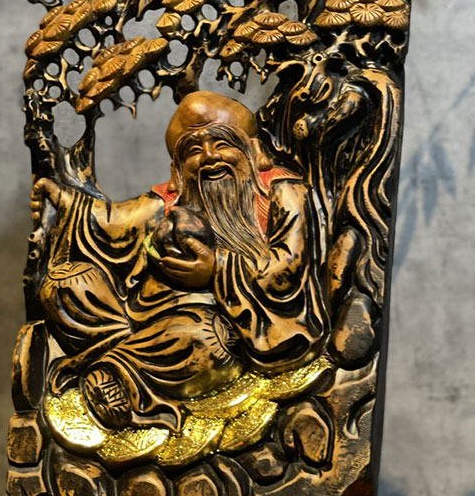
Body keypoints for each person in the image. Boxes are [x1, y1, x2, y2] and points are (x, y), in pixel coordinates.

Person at [31, 91, 325, 429]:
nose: (210, 157)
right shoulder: (172, 199)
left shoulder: (282, 192)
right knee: (67, 283)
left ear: (253, 150)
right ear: (178, 168)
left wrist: (217, 270)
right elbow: (115, 221)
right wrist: (62, 200)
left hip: (225, 321)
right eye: (194, 150)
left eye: (222, 144)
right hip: (142, 313)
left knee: (207, 341)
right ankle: (123, 355)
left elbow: (288, 264)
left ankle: (117, 372)